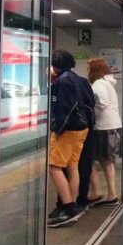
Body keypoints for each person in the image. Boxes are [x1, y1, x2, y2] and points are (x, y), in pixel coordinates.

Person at [47, 49, 95, 228]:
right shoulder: (77, 79)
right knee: (72, 165)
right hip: (81, 129)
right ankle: (72, 204)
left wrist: (57, 129)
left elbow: (65, 108)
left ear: (55, 65)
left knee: (54, 166)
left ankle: (68, 206)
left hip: (68, 130)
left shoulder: (63, 81)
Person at [87, 58, 122, 207]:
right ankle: (110, 193)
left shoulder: (98, 84)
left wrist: (91, 112)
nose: (87, 71)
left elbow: (101, 103)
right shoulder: (108, 84)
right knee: (107, 162)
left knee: (93, 160)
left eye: (89, 68)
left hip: (103, 126)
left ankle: (102, 192)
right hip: (112, 124)